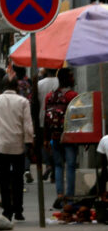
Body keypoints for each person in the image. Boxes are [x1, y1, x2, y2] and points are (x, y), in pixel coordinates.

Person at [0, 76, 34, 222]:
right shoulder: (23, 102)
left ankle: (7, 210)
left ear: (2, 87)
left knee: (4, 180)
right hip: (18, 146)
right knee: (18, 180)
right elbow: (28, 125)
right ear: (17, 87)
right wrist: (29, 143)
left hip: (0, 146)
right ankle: (18, 210)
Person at [45, 68, 78, 209]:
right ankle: (69, 196)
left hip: (54, 136)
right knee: (70, 165)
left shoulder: (50, 96)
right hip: (69, 136)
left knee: (58, 166)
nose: (74, 79)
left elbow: (45, 119)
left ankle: (60, 194)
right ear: (68, 79)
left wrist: (46, 139)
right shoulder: (73, 96)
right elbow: (78, 118)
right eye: (72, 76)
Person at [37, 68, 59, 182]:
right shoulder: (60, 82)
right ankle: (55, 172)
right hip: (57, 119)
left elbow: (35, 102)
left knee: (44, 144)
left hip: (43, 118)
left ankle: (48, 164)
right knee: (56, 143)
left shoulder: (40, 84)